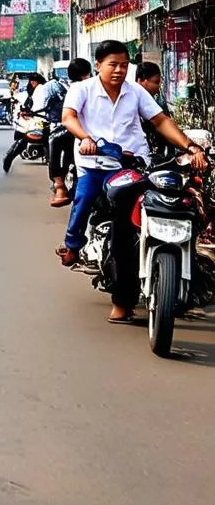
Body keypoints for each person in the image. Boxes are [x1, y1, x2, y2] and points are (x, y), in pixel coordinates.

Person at [56, 40, 205, 324]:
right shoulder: (82, 89)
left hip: (133, 165)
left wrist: (189, 146)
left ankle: (181, 283)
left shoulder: (135, 92)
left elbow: (160, 121)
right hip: (95, 163)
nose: (119, 70)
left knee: (157, 212)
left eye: (124, 65)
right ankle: (74, 246)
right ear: (98, 65)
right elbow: (68, 117)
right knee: (87, 200)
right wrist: (85, 138)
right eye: (113, 64)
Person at [41, 58, 91, 207]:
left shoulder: (75, 87)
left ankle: (59, 185)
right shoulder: (79, 86)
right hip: (84, 130)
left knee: (54, 140)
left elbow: (67, 117)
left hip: (84, 130)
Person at [1, 73, 46, 173]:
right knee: (25, 136)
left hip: (42, 121)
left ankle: (10, 157)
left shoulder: (39, 90)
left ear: (35, 82)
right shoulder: (38, 90)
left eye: (32, 81)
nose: (30, 83)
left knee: (25, 137)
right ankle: (10, 156)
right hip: (40, 121)